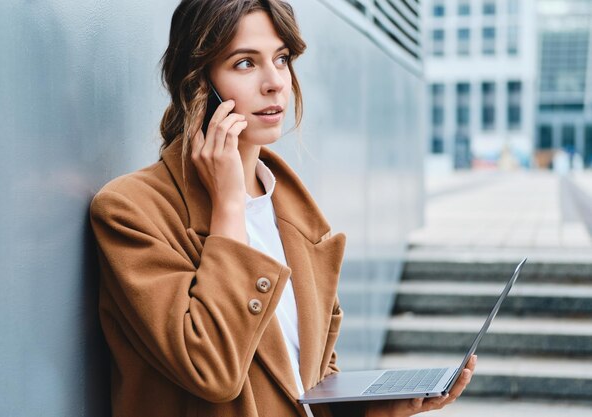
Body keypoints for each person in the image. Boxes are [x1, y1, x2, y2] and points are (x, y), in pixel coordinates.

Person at [89, 1, 477, 416]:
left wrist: (375, 411)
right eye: (244, 63)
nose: (275, 82)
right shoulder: (131, 213)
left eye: (281, 58)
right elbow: (212, 369)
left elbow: (306, 384)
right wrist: (228, 207)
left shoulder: (297, 216)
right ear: (198, 83)